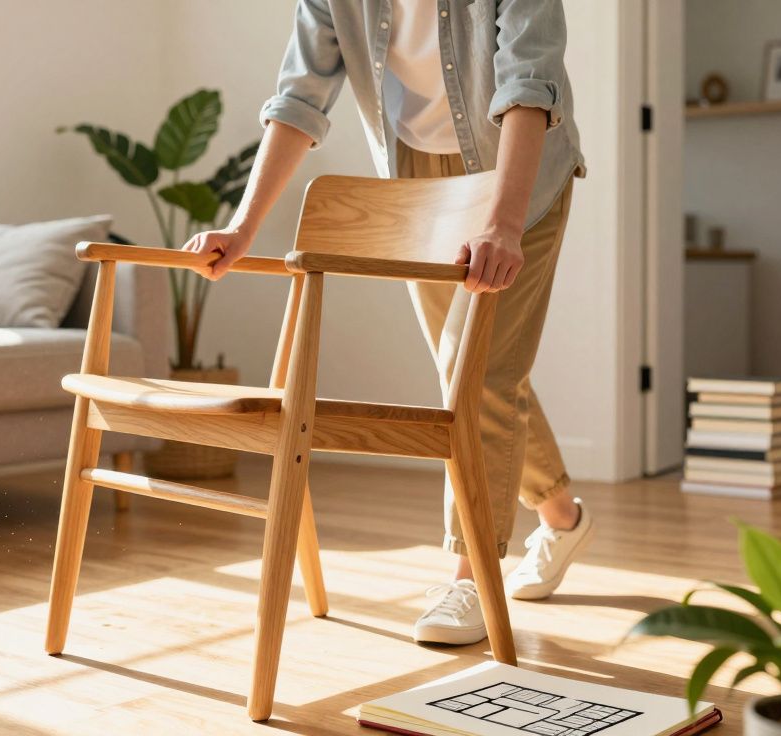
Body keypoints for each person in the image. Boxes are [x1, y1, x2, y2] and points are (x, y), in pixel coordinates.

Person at [183, 0, 592, 646]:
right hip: (419, 177)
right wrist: (242, 227)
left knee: (474, 369)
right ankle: (563, 517)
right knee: (472, 370)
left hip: (520, 169)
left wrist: (504, 223)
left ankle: (468, 577)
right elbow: (299, 98)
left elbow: (529, 83)